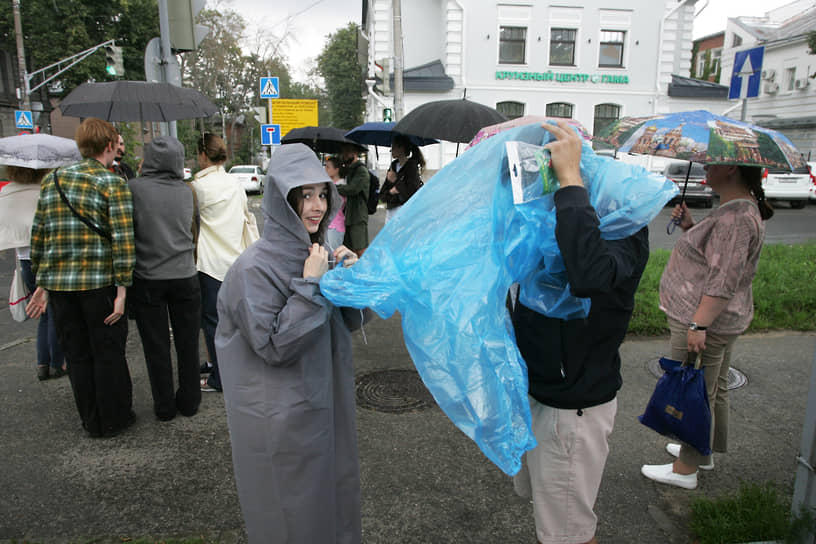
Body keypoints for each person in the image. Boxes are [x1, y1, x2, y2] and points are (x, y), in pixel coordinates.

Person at [215, 143, 365, 543]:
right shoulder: (253, 269)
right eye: (304, 195)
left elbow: (351, 321)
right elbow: (274, 345)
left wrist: (352, 281)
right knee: (290, 510)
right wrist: (311, 284)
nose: (316, 206)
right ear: (282, 198)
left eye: (321, 193)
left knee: (333, 497)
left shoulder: (323, 251)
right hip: (282, 420)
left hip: (325, 405)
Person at [510, 120, 650, 544]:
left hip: (572, 408)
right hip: (538, 392)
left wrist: (571, 183)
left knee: (568, 533)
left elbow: (589, 275)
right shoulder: (550, 214)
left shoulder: (621, 224)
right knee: (554, 516)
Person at [641, 164, 772, 490]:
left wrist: (698, 324)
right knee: (713, 388)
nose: (705, 168)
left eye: (712, 164)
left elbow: (722, 280)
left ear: (729, 169)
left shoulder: (736, 219)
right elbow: (717, 258)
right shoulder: (738, 210)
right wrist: (691, 227)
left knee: (696, 393)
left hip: (704, 321)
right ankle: (703, 451)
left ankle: (685, 468)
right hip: (719, 319)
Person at [27, 118, 136, 438]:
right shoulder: (113, 183)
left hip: (61, 288)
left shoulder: (54, 180)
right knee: (108, 353)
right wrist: (122, 290)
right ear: (107, 147)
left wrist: (41, 284)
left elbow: (41, 235)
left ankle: (91, 420)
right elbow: (122, 239)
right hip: (99, 285)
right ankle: (115, 418)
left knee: (76, 355)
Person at [127, 136, 201, 421]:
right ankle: (190, 401)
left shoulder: (134, 188)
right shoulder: (188, 191)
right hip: (185, 275)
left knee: (156, 346)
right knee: (188, 344)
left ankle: (165, 407)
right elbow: (196, 228)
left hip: (148, 277)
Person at [191, 132, 253, 392]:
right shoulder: (234, 184)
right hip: (236, 259)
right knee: (237, 318)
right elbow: (246, 218)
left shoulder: (197, 187)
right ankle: (235, 366)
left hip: (209, 263)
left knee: (213, 321)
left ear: (203, 155)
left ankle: (218, 375)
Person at [0, 165, 65, 381]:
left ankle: (42, 363)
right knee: (54, 308)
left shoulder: (7, 192)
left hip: (24, 259)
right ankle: (57, 363)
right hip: (46, 256)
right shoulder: (45, 189)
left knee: (42, 313)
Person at [379, 133, 424, 222]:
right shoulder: (393, 166)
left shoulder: (411, 167)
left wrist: (396, 181)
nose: (391, 150)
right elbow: (382, 195)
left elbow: (411, 194)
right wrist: (391, 192)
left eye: (394, 147)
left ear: (402, 148)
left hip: (404, 212)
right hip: (390, 211)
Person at [337, 144, 369, 257]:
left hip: (358, 216)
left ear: (355, 153)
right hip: (349, 216)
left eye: (347, 152)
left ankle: (365, 272)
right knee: (348, 249)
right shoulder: (350, 170)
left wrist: (334, 187)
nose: (344, 155)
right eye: (343, 152)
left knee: (360, 248)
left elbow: (352, 189)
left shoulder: (361, 171)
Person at [324, 155, 346, 250]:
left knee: (334, 254)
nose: (325, 169)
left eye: (328, 167)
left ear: (336, 169)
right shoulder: (329, 185)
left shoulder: (342, 186)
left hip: (336, 225)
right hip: (327, 224)